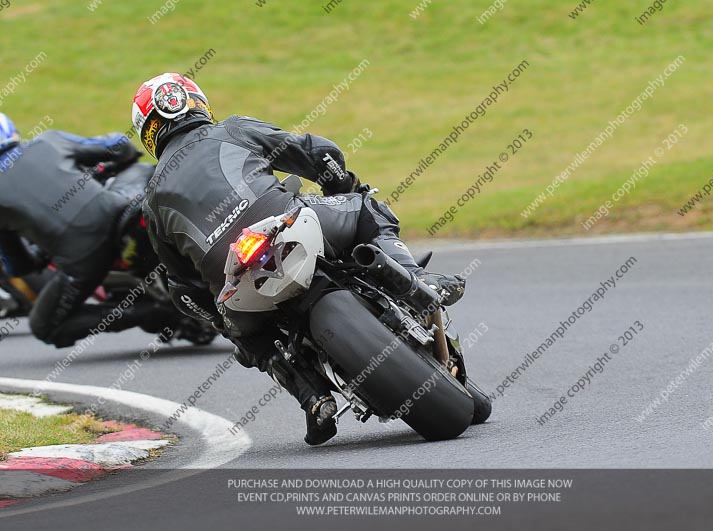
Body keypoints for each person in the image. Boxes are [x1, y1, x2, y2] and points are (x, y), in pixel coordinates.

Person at [132, 73, 466, 445]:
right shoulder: (232, 129)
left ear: (149, 134)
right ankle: (420, 280)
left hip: (236, 284)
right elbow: (318, 152)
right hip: (288, 227)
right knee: (364, 208)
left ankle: (310, 398)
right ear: (198, 103)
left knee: (250, 340)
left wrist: (219, 317)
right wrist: (341, 186)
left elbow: (181, 286)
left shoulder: (153, 198)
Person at [0, 113, 179, 347]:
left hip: (83, 259)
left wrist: (42, 254)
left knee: (43, 326)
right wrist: (104, 169)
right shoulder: (48, 141)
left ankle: (148, 312)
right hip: (118, 210)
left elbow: (20, 266)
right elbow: (120, 146)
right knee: (146, 172)